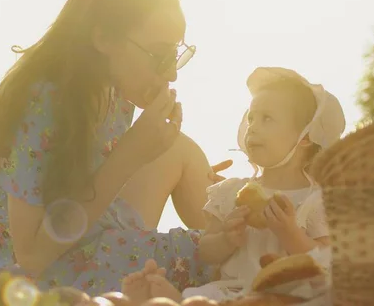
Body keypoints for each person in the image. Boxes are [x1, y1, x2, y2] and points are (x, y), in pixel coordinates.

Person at [0, 0, 229, 296]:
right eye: (159, 54)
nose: (170, 74)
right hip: (46, 276)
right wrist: (130, 155)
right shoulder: (43, 103)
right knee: (194, 253)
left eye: (176, 55)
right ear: (104, 38)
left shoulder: (111, 87)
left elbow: (91, 185)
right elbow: (32, 257)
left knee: (179, 150)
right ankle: (233, 264)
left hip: (89, 227)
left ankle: (230, 239)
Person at [122, 67, 346, 303]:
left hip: (285, 296)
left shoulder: (317, 200)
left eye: (266, 118)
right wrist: (226, 239)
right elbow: (206, 251)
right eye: (251, 118)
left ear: (306, 136)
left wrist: (289, 232)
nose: (253, 126)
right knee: (204, 298)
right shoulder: (231, 192)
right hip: (232, 290)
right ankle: (172, 299)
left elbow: (325, 263)